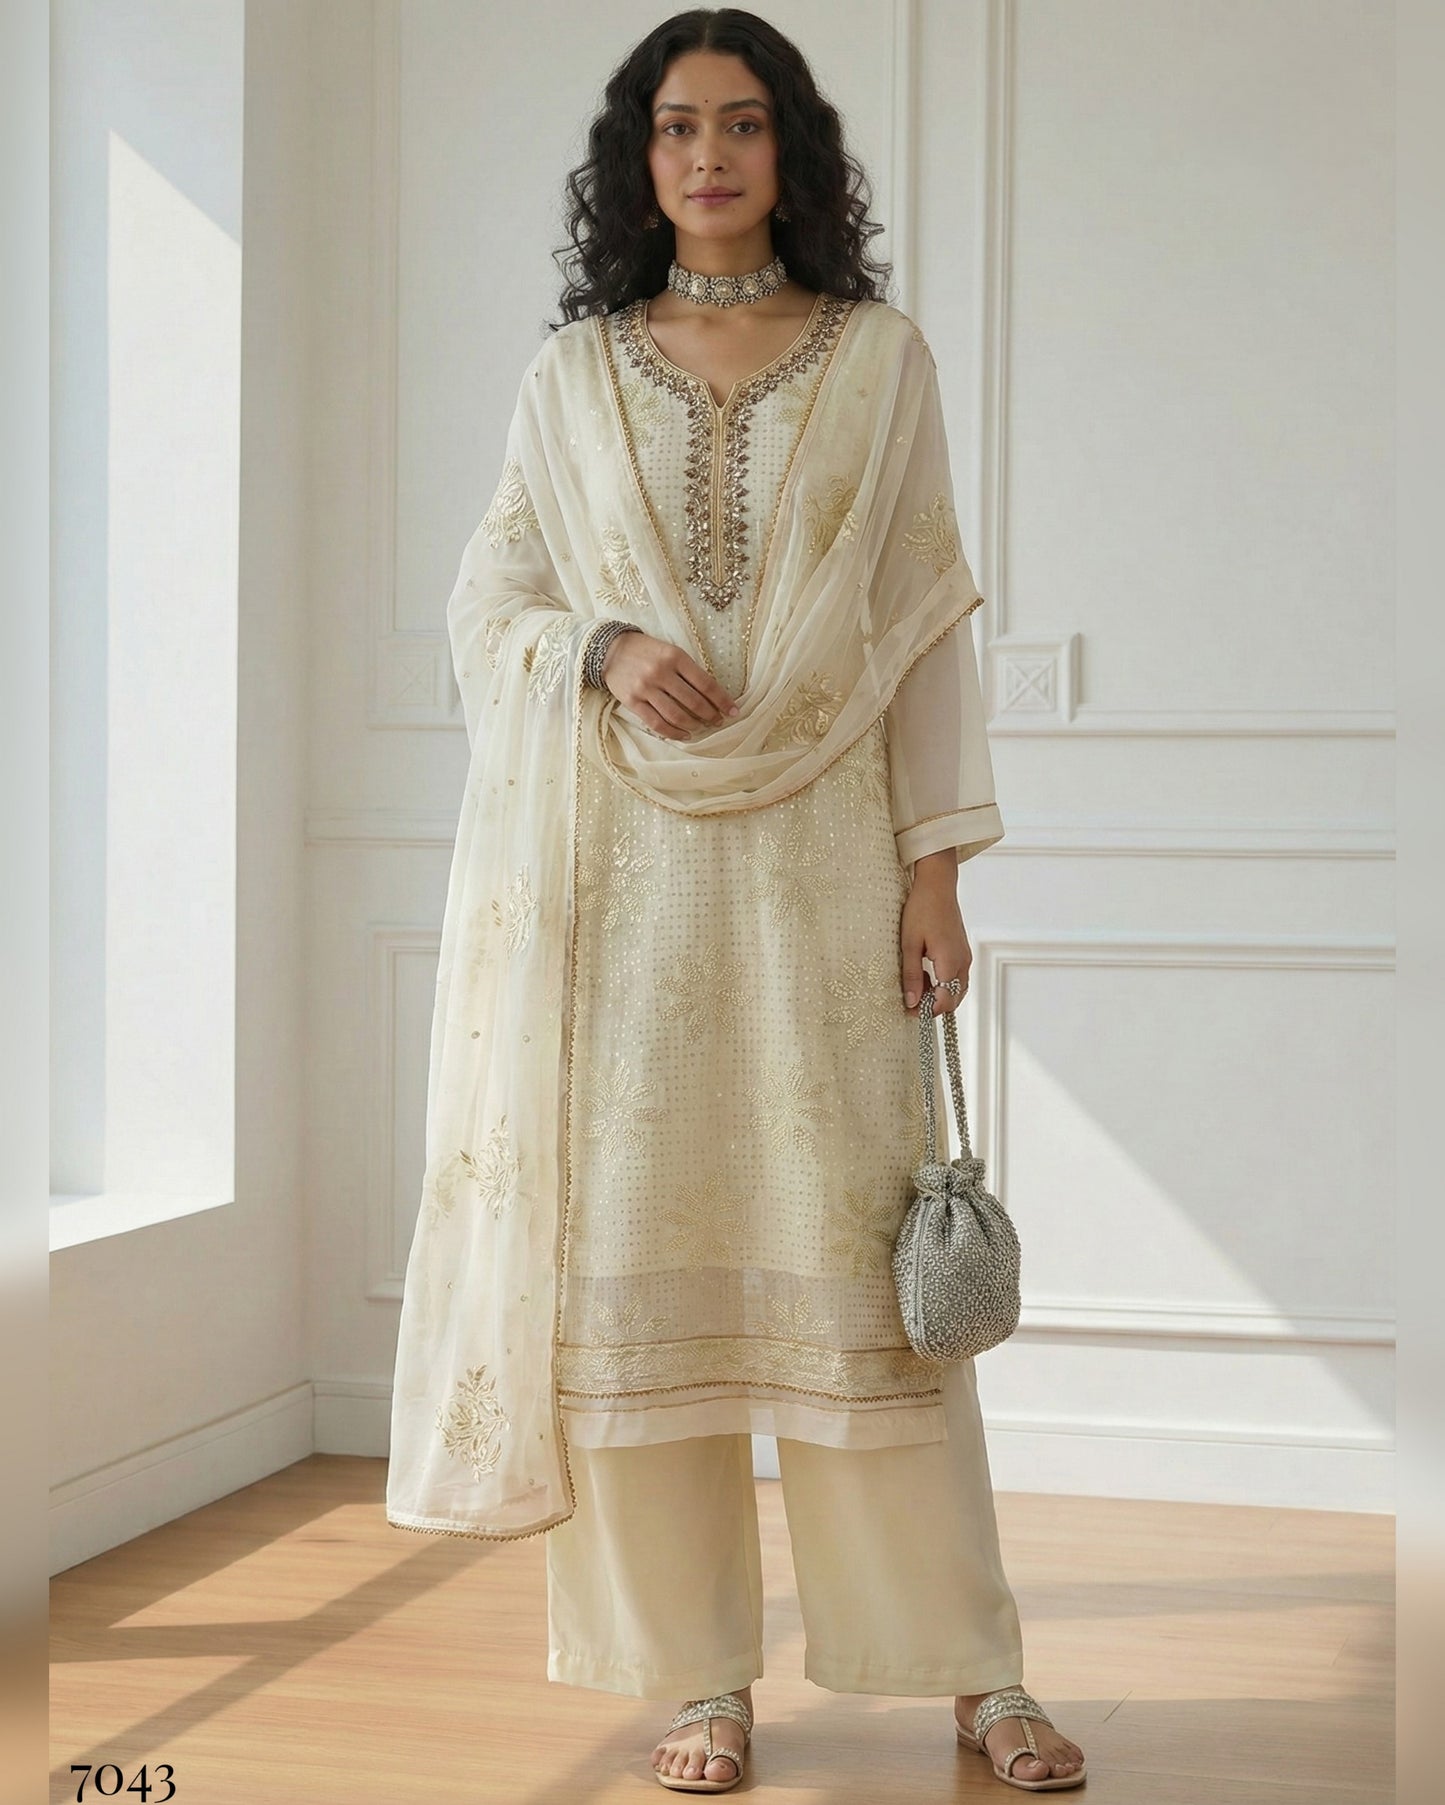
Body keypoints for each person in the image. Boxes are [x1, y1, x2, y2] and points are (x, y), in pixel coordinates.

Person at [386, 7, 1086, 1795]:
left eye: (745, 124)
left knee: (868, 1291)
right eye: (678, 126)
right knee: (634, 1278)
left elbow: (924, 629)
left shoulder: (879, 360)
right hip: (622, 891)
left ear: (794, 154)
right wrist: (600, 647)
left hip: (820, 872)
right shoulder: (572, 376)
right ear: (638, 160)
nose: (710, 156)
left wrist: (934, 873)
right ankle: (693, 1674)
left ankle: (970, 1665)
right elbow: (490, 606)